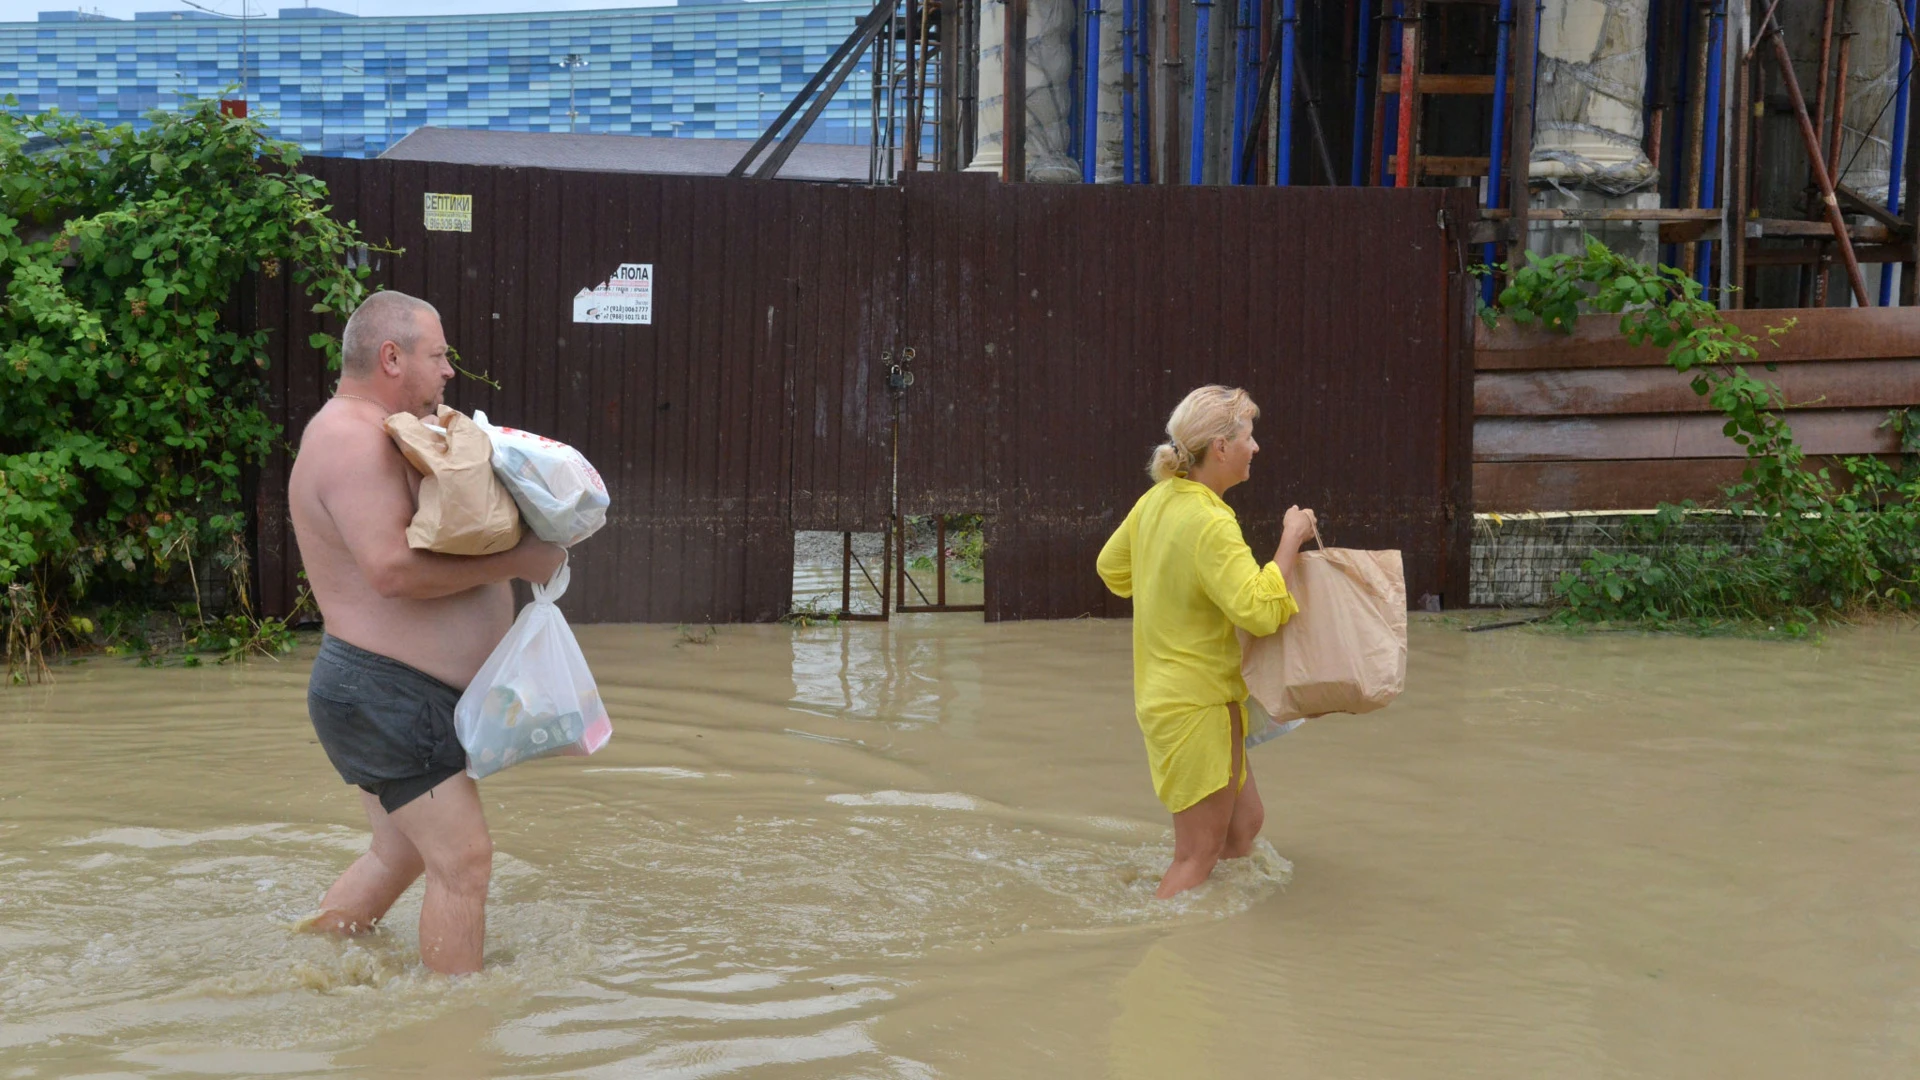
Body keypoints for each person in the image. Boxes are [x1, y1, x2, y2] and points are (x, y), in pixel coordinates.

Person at [288, 290, 565, 974]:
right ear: (391, 357)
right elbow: (392, 572)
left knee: (400, 852)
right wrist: (522, 560)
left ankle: (316, 963)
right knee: (463, 862)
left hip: (387, 694)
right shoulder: (349, 439)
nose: (448, 371)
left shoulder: (374, 431)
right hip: (387, 693)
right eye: (438, 355)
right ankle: (454, 1032)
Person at [1096, 385, 1316, 899]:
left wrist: (1168, 583)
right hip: (1192, 704)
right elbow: (1261, 611)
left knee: (1244, 828)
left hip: (1192, 697)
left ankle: (1216, 939)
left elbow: (1112, 569)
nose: (1255, 447)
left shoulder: (1157, 500)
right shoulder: (1211, 521)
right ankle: (1159, 948)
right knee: (1197, 856)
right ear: (1220, 447)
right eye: (1248, 436)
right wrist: (1291, 539)